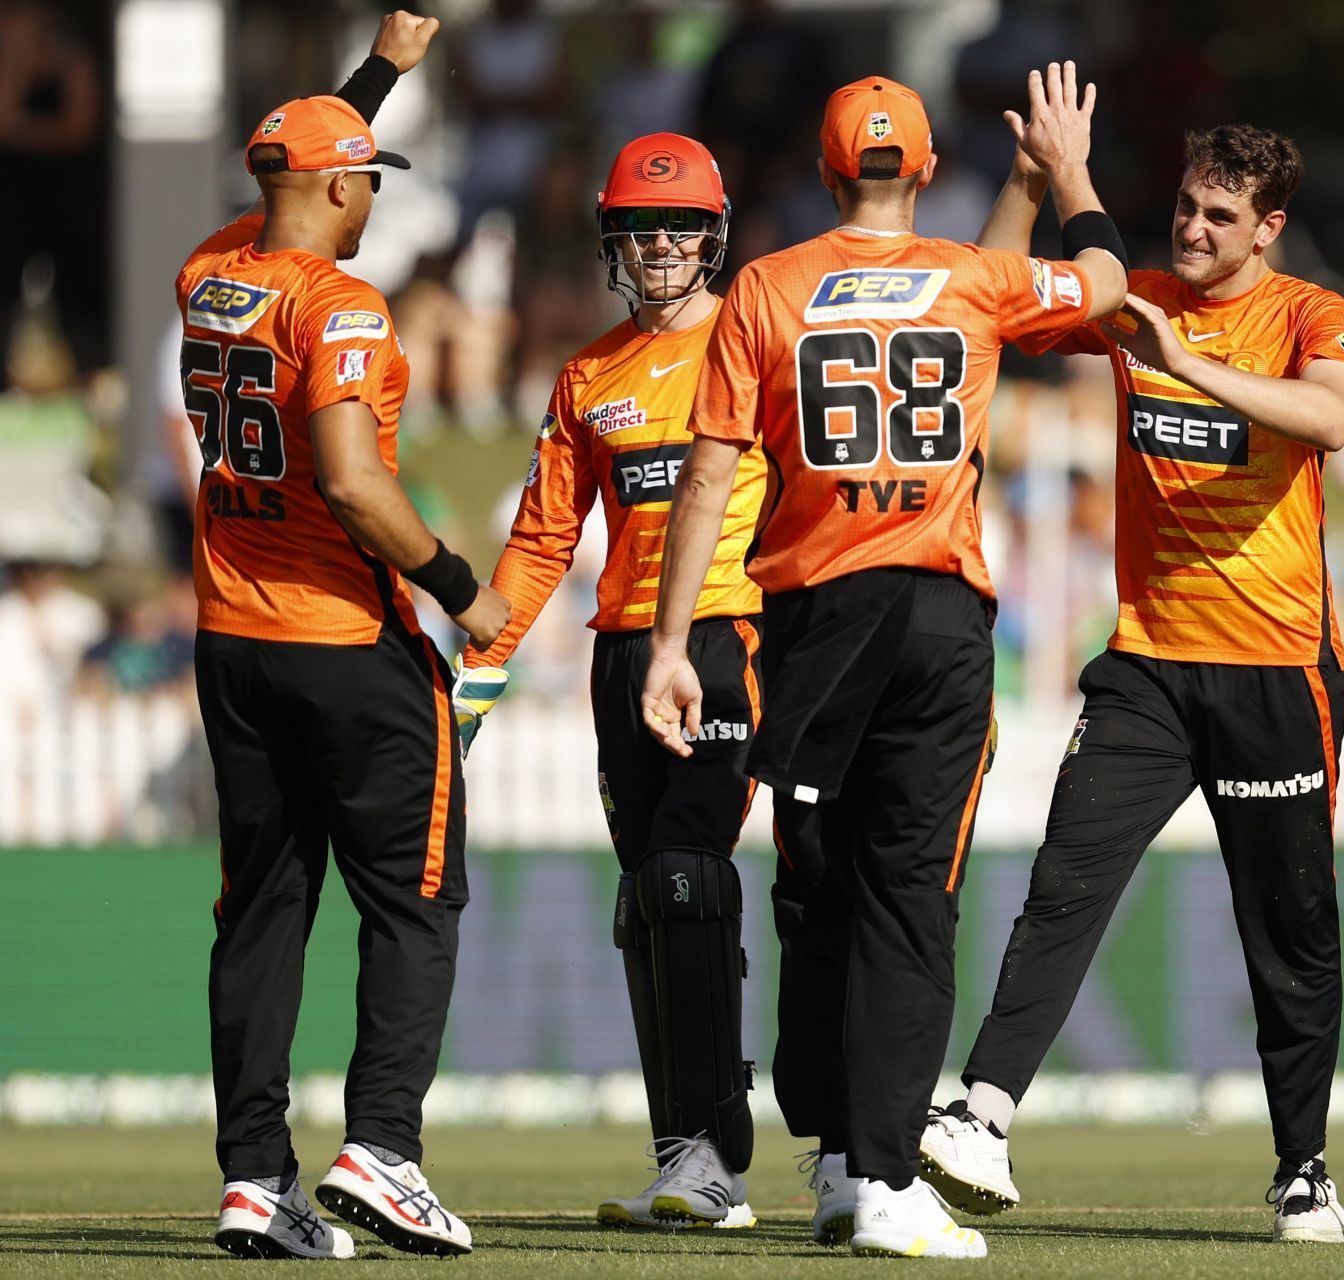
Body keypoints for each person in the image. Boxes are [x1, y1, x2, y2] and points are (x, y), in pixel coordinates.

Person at [640, 66, 1126, 1259]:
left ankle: (843, 1158)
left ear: (822, 168)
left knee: (819, 892)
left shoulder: (765, 285)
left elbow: (708, 473)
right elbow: (1102, 286)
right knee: (913, 897)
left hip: (811, 620)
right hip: (937, 615)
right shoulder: (968, 278)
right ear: (921, 169)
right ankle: (891, 1177)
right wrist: (1061, 172)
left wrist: (667, 639)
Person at [916, 123, 1344, 1245]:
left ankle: (1302, 1165)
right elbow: (991, 307)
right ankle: (983, 1112)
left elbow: (1334, 416)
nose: (1195, 227)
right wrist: (1047, 178)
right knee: (1065, 884)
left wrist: (1184, 363)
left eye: (1222, 215)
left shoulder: (1310, 313)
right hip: (1149, 664)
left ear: (1269, 228)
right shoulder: (1139, 298)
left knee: (1291, 929)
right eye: (1186, 206)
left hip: (1274, 672)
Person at [177, 12, 509, 1260]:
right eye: (365, 174)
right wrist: (460, 586)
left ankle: (255, 1177)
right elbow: (358, 486)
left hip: (231, 638)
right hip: (342, 637)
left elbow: (280, 173)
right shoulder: (343, 304)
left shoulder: (210, 273)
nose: (372, 194)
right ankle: (384, 1148)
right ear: (332, 184)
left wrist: (374, 78)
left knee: (261, 909)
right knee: (418, 897)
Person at [459, 132, 766, 1231]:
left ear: (714, 233)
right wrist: (477, 678)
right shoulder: (589, 374)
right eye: (640, 228)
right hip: (620, 650)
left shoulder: (757, 337)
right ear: (611, 241)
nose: (661, 246)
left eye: (680, 226)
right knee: (646, 901)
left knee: (688, 875)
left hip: (731, 637)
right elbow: (543, 540)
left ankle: (726, 1153)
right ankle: (685, 1151)